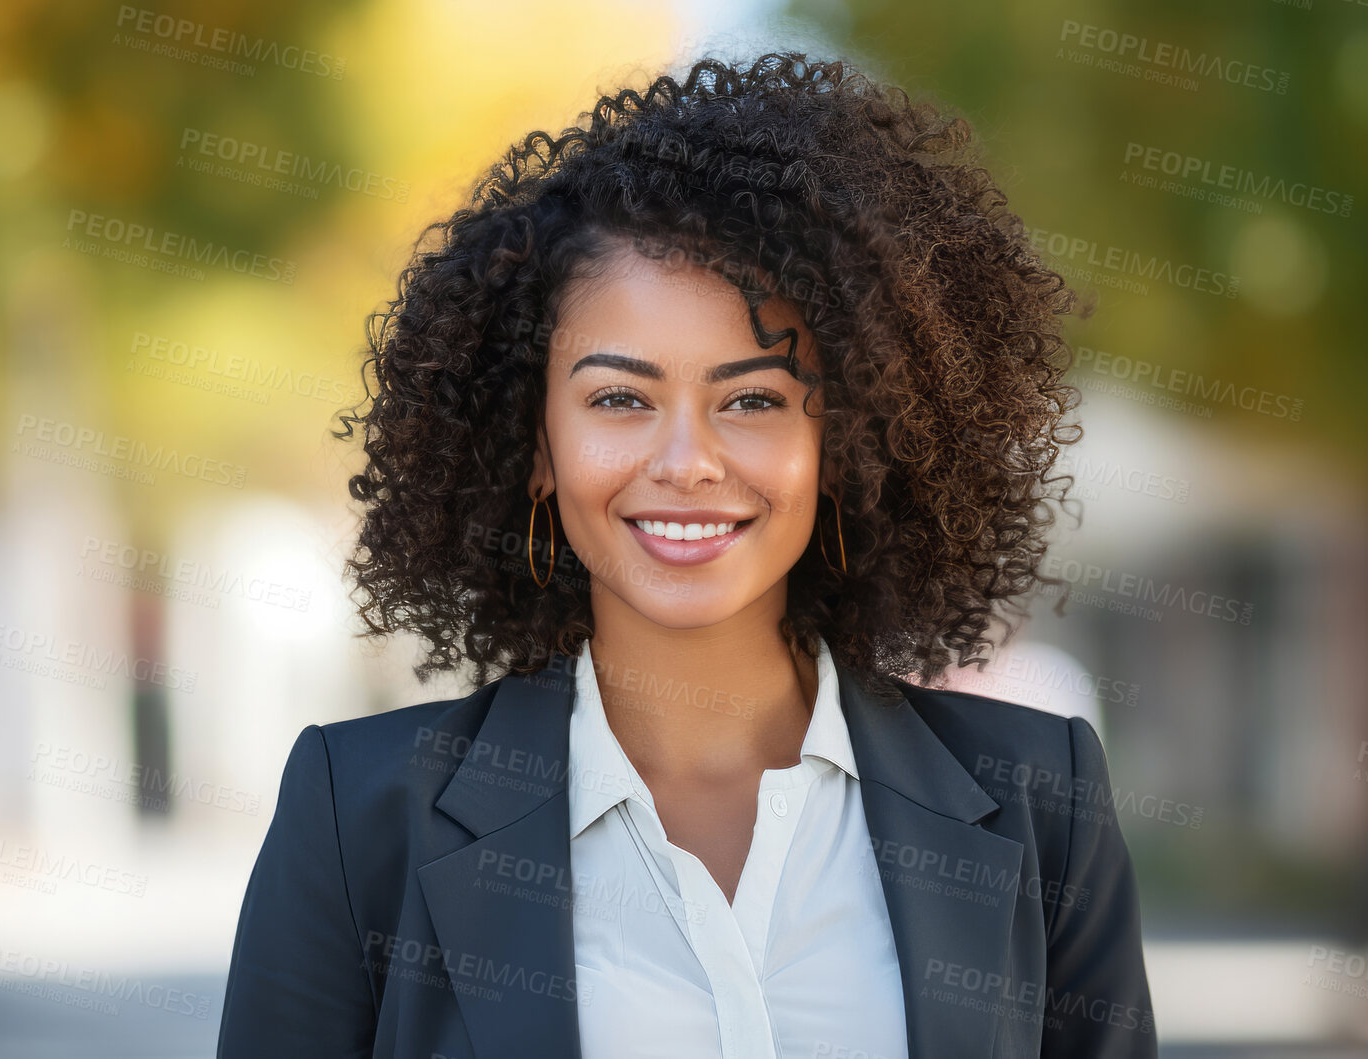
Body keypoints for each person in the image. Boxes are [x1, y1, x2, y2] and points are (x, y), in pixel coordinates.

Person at [217, 51, 1156, 1058]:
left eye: (750, 399)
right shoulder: (357, 814)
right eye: (619, 398)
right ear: (534, 447)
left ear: (842, 443)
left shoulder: (1036, 801)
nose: (686, 463)